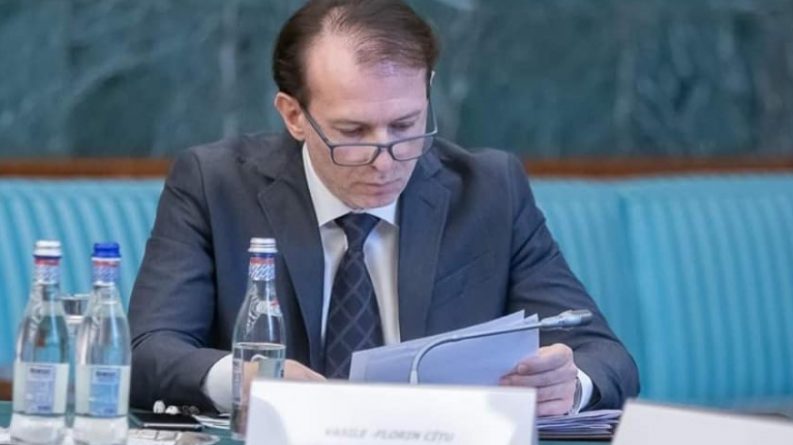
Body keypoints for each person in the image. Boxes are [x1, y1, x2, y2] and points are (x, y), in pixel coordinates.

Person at [129, 0, 639, 416]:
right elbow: (147, 350)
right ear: (294, 115)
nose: (385, 159)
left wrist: (570, 384)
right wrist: (243, 378)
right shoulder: (215, 185)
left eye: (405, 125)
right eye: (353, 132)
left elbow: (606, 356)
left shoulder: (489, 191)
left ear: (427, 92)